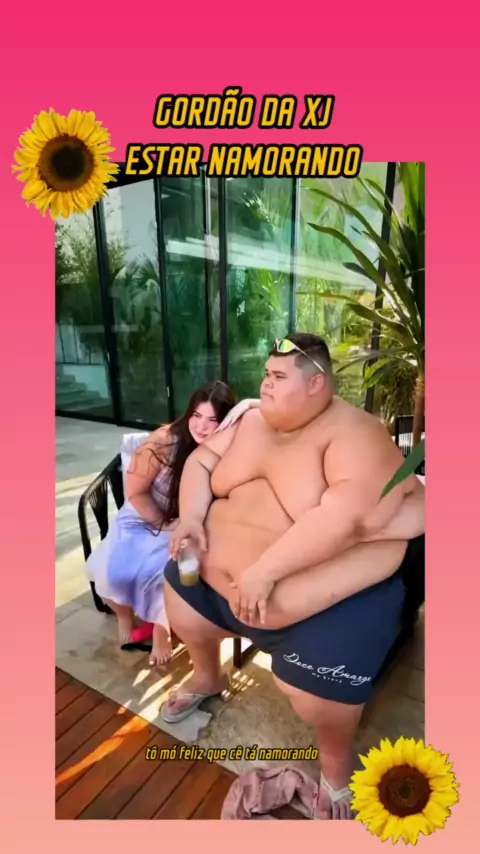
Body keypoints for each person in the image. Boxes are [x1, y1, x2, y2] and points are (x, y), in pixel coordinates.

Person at [160, 333, 425, 820]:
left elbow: (350, 519)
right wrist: (193, 518)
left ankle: (336, 770)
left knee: (319, 700)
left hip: (316, 609)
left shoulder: (356, 433)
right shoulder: (249, 420)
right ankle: (208, 675)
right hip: (216, 586)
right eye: (266, 373)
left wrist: (265, 571)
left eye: (278, 377)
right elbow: (200, 462)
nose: (265, 383)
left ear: (316, 384)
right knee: (179, 597)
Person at [86, 381, 259, 666]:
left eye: (212, 420)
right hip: (144, 516)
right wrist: (165, 524)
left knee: (176, 570)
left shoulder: (225, 448)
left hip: (187, 523)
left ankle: (161, 629)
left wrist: (249, 404)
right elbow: (136, 493)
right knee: (114, 572)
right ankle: (124, 616)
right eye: (197, 415)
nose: (202, 427)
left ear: (226, 421)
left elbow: (264, 412)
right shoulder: (164, 441)